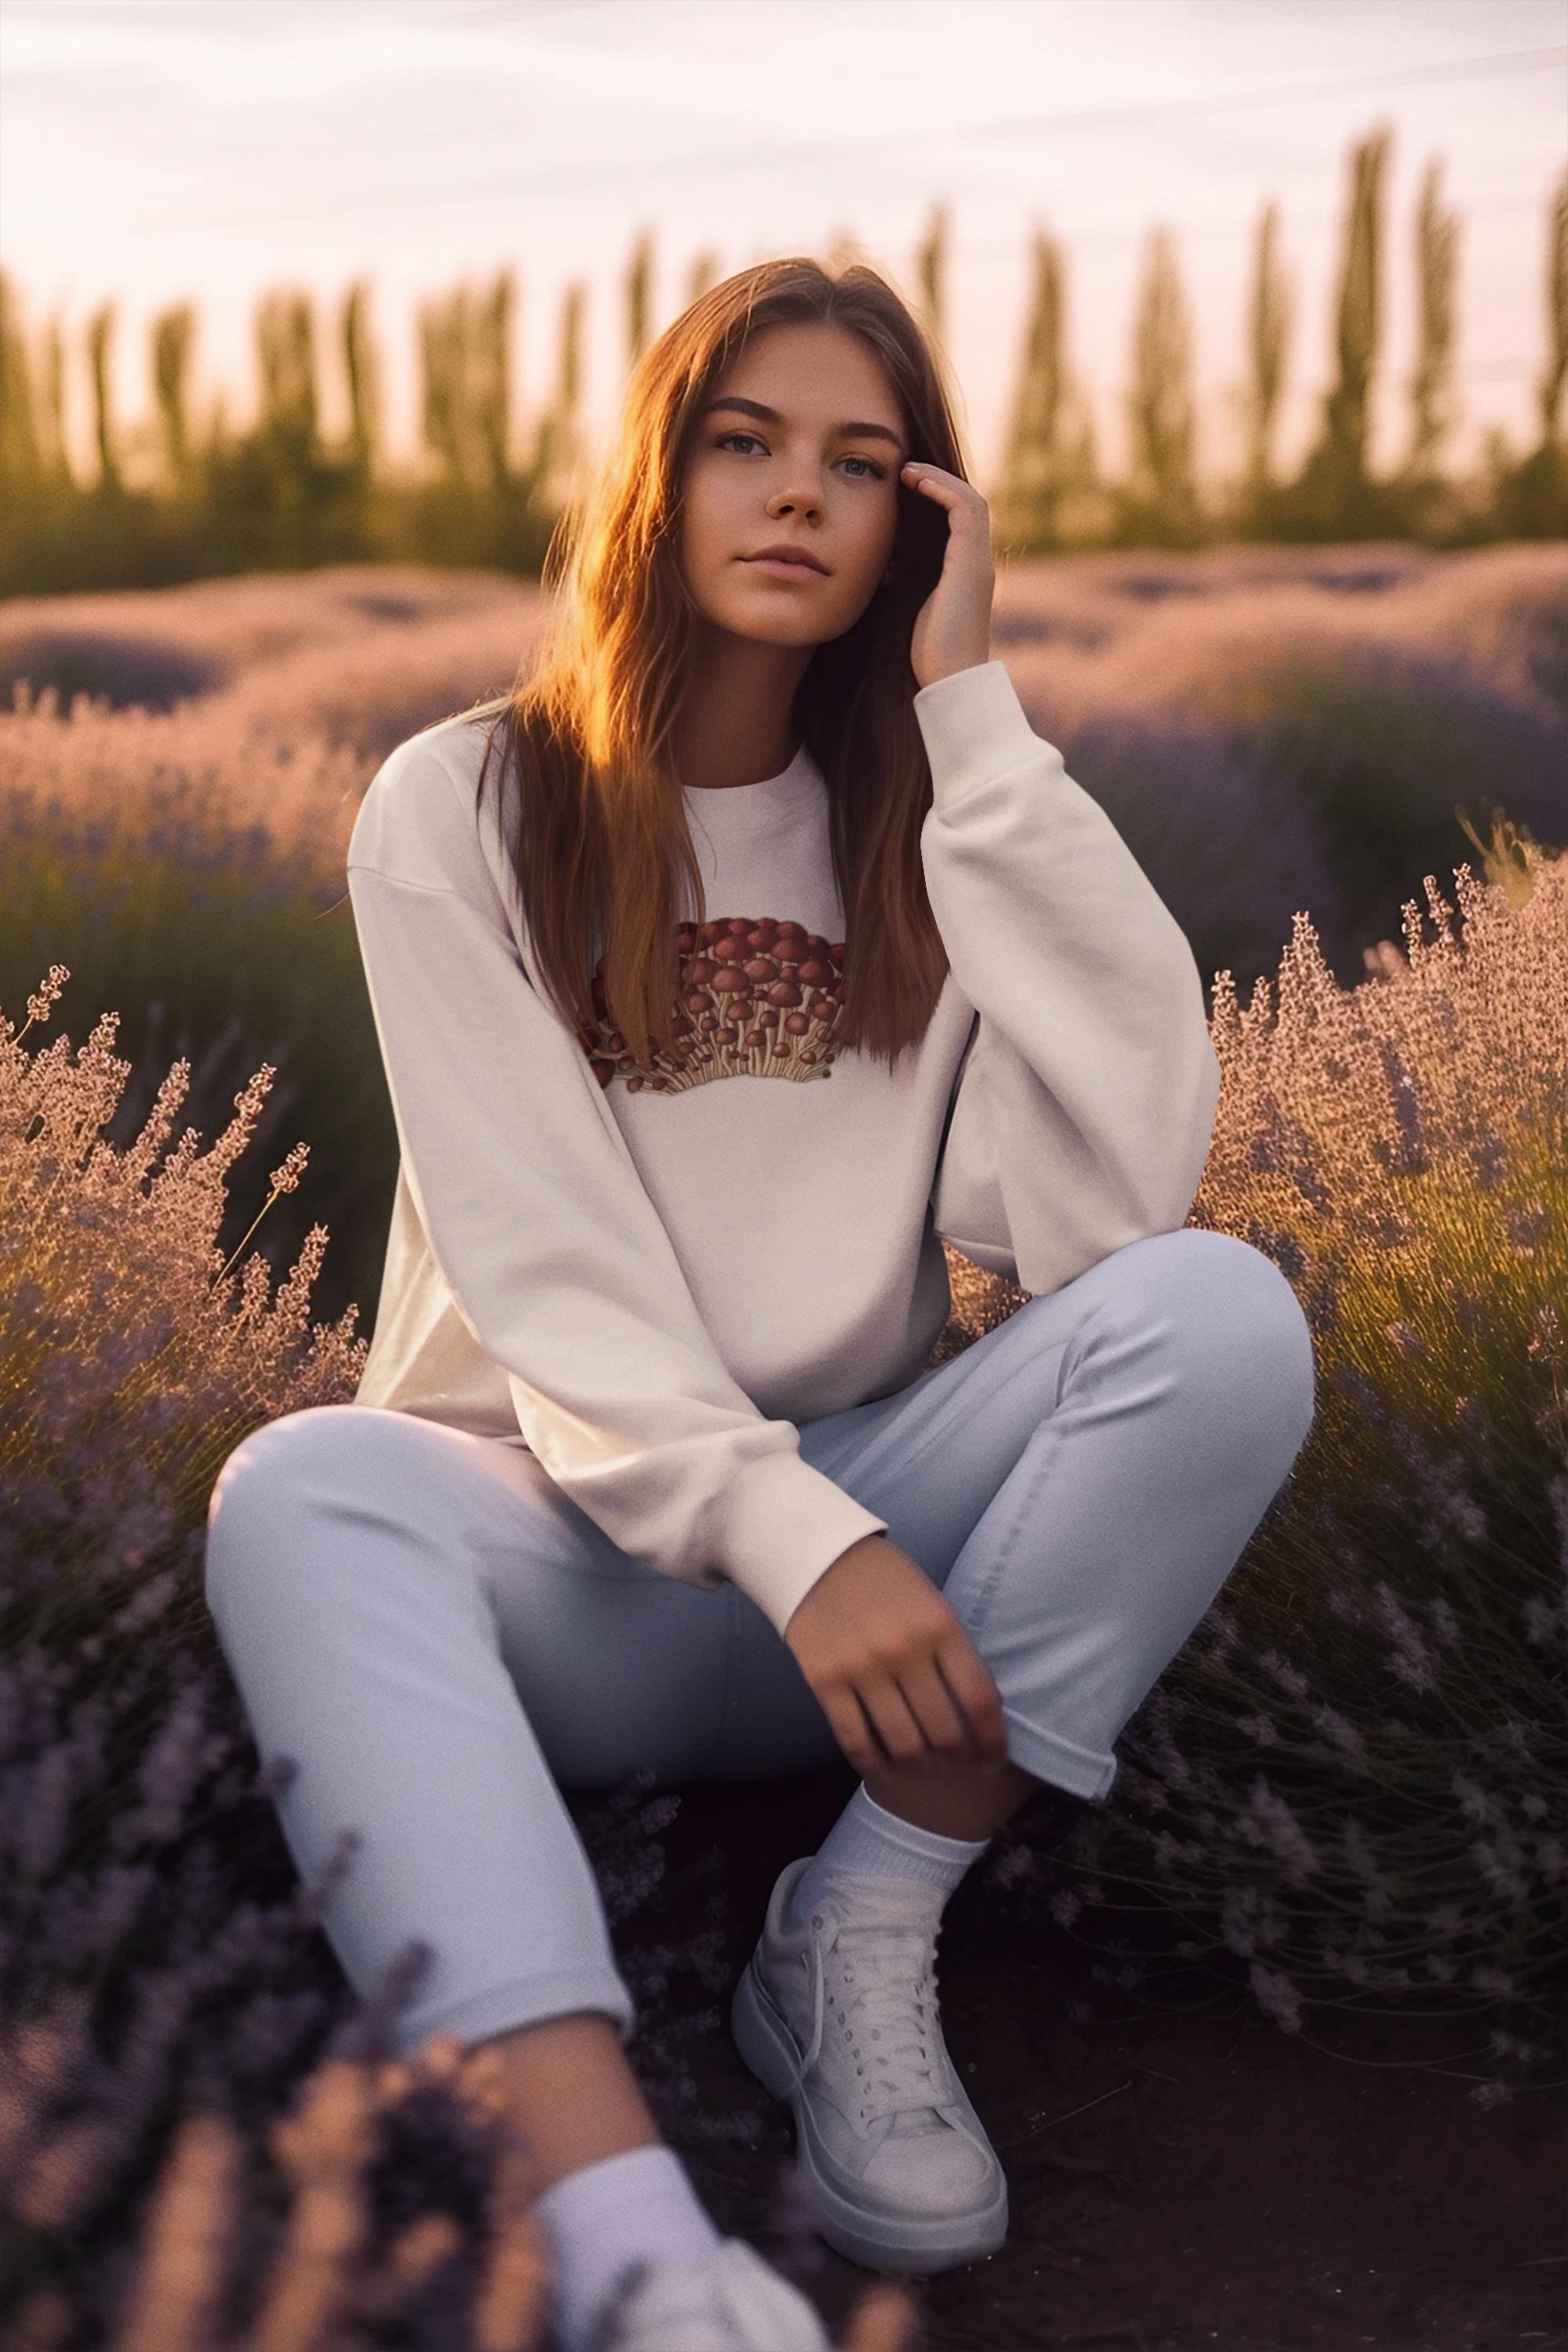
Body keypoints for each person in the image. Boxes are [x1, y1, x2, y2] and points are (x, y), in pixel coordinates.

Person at [203, 257, 1317, 2352]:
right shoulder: (464, 806)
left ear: (926, 519)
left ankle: (861, 1929)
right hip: (575, 1561)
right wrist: (782, 1535)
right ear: (663, 473)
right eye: (746, 442)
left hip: (883, 1574)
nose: (797, 497)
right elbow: (547, 1268)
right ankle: (632, 2249)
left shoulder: (928, 828)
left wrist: (973, 718)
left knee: (1223, 1314)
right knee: (298, 1497)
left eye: (862, 463)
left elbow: (1110, 1199)